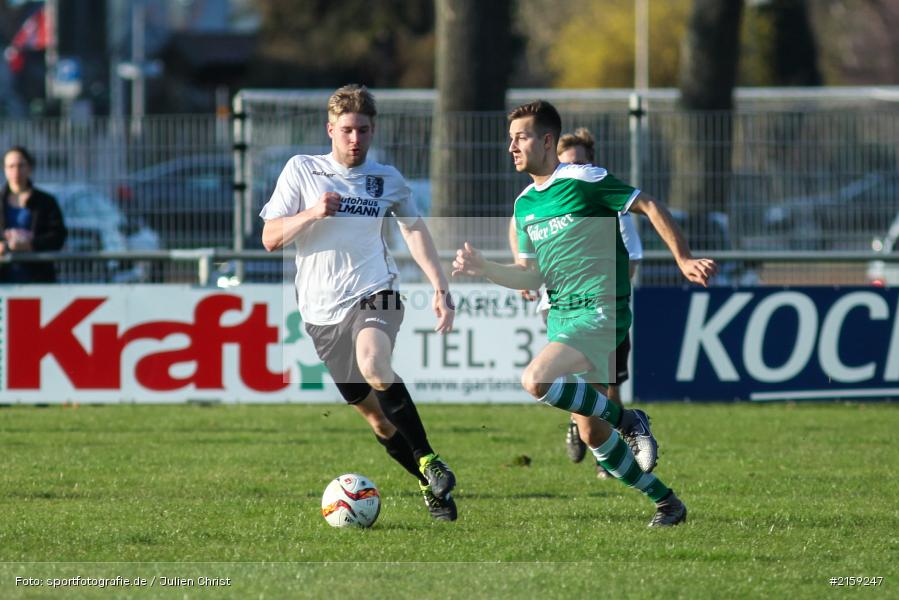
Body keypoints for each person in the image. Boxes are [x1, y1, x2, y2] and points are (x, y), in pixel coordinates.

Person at [454, 100, 717, 527]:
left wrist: (683, 258)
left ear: (547, 141)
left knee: (536, 379)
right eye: (510, 139)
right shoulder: (524, 205)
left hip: (601, 309)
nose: (512, 147)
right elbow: (529, 275)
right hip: (563, 316)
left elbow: (649, 205)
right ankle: (667, 502)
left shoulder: (582, 179)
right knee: (593, 434)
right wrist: (485, 269)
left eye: (521, 138)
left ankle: (629, 420)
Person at [260, 84, 459, 521]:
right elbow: (270, 237)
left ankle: (430, 460)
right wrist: (312, 213)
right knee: (379, 422)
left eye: (363, 130)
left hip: (375, 292)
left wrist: (440, 287)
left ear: (373, 130)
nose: (356, 139)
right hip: (320, 313)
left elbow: (414, 229)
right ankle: (428, 484)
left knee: (374, 364)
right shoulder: (302, 170)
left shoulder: (387, 178)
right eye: (347, 130)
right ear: (330, 129)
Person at [507, 127, 643, 479]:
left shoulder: (608, 204)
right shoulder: (531, 201)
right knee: (564, 378)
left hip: (602, 306)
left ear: (590, 164)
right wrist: (523, 273)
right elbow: (522, 240)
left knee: (609, 386)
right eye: (566, 162)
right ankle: (603, 426)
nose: (571, 169)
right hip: (558, 307)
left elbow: (631, 259)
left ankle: (606, 450)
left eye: (579, 163)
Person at [0, 146, 66, 283]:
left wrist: (30, 244)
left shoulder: (45, 202)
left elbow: (58, 236)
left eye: (20, 165)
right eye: (11, 166)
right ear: (4, 170)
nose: (16, 171)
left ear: (29, 168)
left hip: (38, 278)